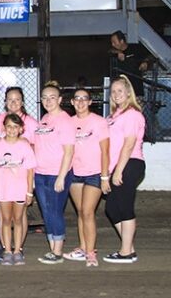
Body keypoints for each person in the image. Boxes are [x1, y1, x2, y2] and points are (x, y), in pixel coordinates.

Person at [0, 86, 38, 253]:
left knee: (20, 215)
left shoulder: (31, 122)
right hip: (3, 177)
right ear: (5, 102)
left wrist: (21, 157)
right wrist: (1, 152)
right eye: (10, 99)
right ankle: (6, 247)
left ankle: (18, 247)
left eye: (17, 99)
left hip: (23, 175)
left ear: (22, 102)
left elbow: (39, 145)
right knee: (4, 216)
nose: (14, 103)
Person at [63, 88, 110, 267]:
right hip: (75, 173)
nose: (81, 102)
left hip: (94, 173)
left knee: (88, 212)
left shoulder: (99, 122)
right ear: (72, 102)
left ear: (90, 102)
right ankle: (83, 248)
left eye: (85, 99)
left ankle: (91, 252)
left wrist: (105, 177)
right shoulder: (68, 123)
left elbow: (105, 151)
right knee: (81, 212)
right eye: (77, 99)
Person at [103, 75, 145, 263]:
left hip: (130, 163)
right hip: (117, 166)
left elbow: (129, 144)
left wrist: (119, 170)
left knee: (125, 206)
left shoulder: (133, 115)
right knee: (112, 208)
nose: (116, 94)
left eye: (120, 90)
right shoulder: (113, 117)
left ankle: (126, 252)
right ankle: (129, 247)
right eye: (113, 91)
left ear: (129, 92)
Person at [33, 81, 75, 264]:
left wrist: (61, 176)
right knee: (47, 211)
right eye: (44, 98)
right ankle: (52, 248)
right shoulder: (44, 120)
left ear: (59, 99)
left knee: (55, 211)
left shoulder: (64, 120)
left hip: (56, 174)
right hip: (40, 173)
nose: (48, 101)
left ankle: (57, 252)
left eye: (52, 97)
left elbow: (69, 151)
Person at [109, 30, 152, 100]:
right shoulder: (114, 53)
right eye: (112, 42)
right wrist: (118, 52)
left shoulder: (136, 48)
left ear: (122, 41)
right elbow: (110, 51)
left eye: (114, 42)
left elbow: (150, 55)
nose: (113, 44)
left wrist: (146, 62)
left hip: (136, 90)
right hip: (121, 93)